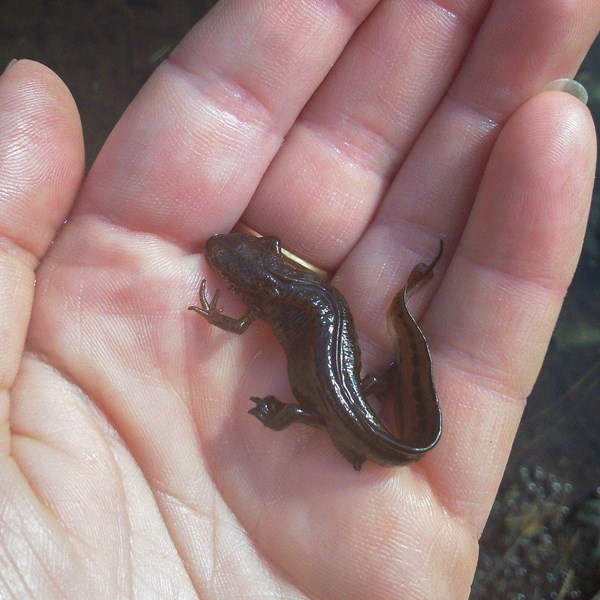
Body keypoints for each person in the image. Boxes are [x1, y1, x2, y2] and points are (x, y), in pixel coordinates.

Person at [0, 2, 598, 598]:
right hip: (339, 370)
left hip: (330, 382)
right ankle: (355, 391)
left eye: (229, 266)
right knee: (339, 399)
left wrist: (215, 318)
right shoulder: (269, 282)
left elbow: (240, 324)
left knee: (321, 408)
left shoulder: (263, 302)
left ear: (254, 276)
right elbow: (269, 258)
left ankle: (312, 408)